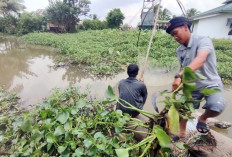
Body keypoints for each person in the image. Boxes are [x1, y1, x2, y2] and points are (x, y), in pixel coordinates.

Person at [166, 17, 225, 138]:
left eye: (175, 33)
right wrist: (179, 81)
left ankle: (202, 118)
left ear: (185, 27)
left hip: (211, 83)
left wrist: (179, 76)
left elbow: (200, 59)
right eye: (172, 35)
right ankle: (181, 132)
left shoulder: (203, 40)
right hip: (192, 86)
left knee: (217, 107)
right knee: (184, 111)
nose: (175, 37)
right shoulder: (180, 50)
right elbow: (184, 67)